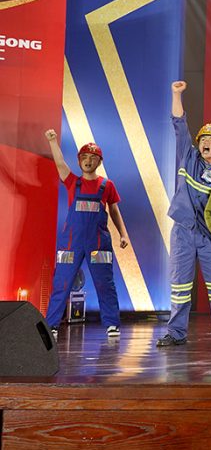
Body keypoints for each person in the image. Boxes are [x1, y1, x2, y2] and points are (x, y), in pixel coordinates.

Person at [159, 80, 211, 347]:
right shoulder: (187, 156)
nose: (206, 142)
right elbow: (179, 123)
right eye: (203, 139)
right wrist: (176, 94)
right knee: (180, 286)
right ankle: (176, 333)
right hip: (183, 232)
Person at [43, 130, 128, 338]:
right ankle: (51, 325)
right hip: (71, 243)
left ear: (99, 162)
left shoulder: (107, 185)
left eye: (93, 157)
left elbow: (114, 210)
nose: (88, 161)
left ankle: (112, 324)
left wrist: (123, 234)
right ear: (79, 160)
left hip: (98, 244)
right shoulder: (73, 182)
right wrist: (52, 141)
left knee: (104, 282)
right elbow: (60, 163)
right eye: (84, 157)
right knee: (62, 282)